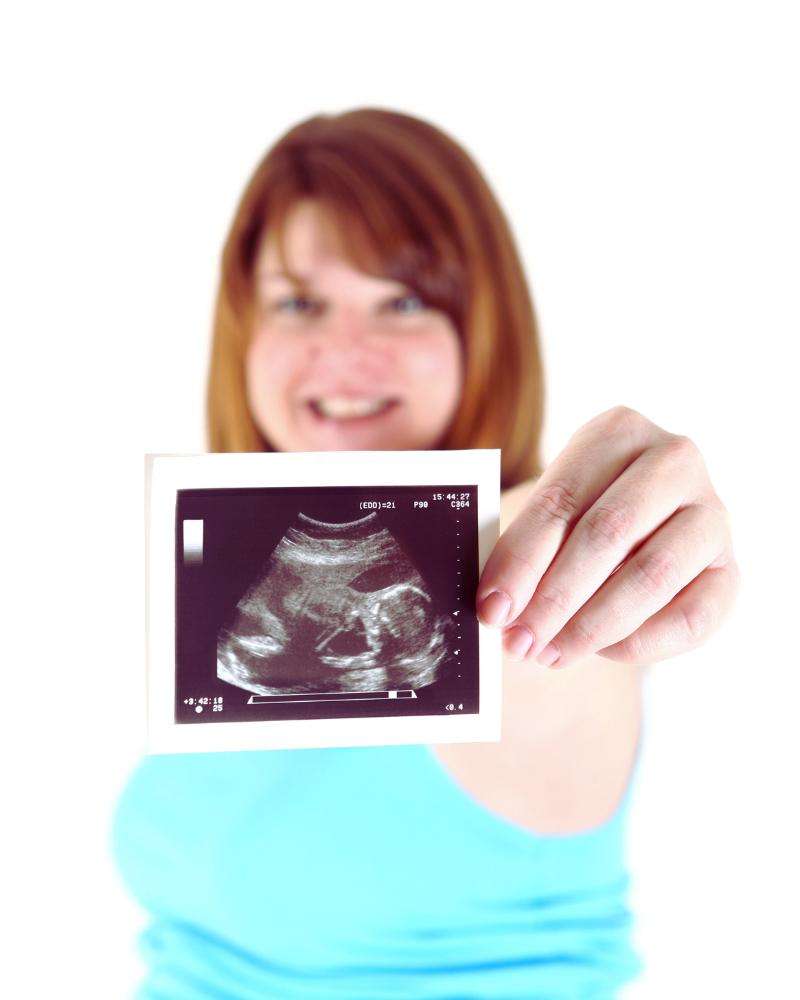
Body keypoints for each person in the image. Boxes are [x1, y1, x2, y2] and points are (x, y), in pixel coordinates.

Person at [111, 107, 739, 998]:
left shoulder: (512, 602)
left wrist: (615, 513)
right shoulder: (234, 620)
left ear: (484, 335)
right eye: (299, 301)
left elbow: (533, 617)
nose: (345, 353)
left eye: (402, 301)